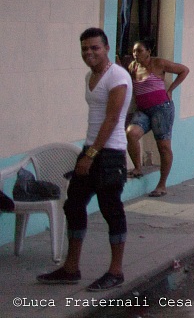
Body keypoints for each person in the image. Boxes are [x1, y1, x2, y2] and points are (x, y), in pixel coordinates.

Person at [38, 28, 133, 291]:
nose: (89, 53)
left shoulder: (118, 76)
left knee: (111, 209)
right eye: (84, 49)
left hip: (109, 153)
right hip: (91, 148)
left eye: (94, 48)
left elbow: (113, 119)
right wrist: (88, 152)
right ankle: (71, 268)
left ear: (106, 48)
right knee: (74, 205)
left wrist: (90, 156)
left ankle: (116, 271)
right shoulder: (90, 76)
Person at [124, 41, 189, 197]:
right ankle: (138, 168)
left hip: (162, 109)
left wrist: (171, 89)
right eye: (134, 51)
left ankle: (162, 185)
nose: (136, 54)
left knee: (163, 147)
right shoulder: (133, 67)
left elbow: (184, 70)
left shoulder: (158, 63)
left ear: (148, 51)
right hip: (143, 111)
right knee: (131, 134)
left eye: (139, 51)